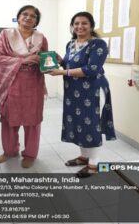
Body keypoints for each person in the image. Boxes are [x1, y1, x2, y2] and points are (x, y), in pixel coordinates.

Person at [48, 11, 116, 177]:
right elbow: (69, 64)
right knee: (79, 122)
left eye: (84, 23)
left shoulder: (98, 44)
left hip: (92, 90)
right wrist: (59, 60)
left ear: (91, 26)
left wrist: (62, 73)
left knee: (91, 124)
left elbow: (91, 69)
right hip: (73, 91)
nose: (80, 26)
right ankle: (85, 156)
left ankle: (94, 162)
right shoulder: (71, 44)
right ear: (72, 26)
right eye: (76, 23)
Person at [0, 5, 48, 168]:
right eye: (25, 14)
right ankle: (9, 151)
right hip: (11, 83)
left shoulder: (41, 38)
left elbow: (45, 61)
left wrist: (51, 62)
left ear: (36, 20)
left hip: (33, 84)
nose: (28, 18)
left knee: (32, 121)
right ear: (19, 16)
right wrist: (21, 60)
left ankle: (30, 154)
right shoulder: (6, 35)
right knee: (9, 120)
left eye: (33, 16)